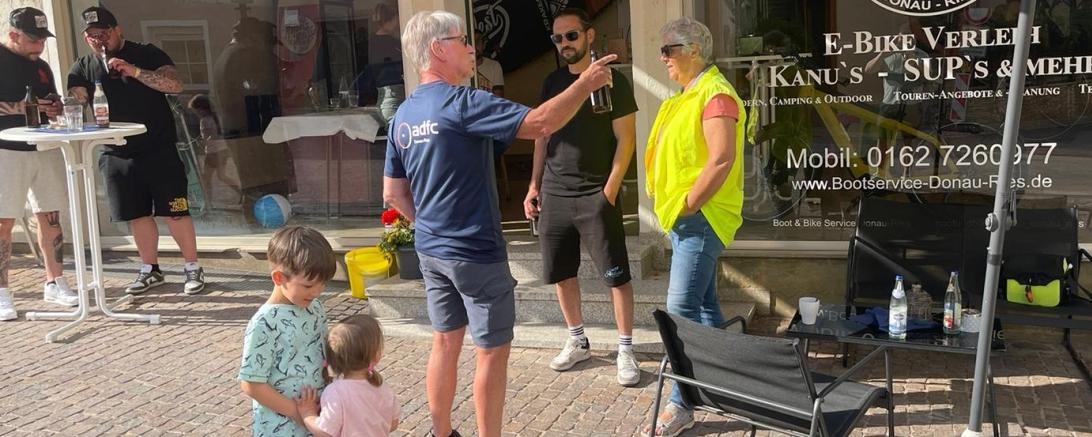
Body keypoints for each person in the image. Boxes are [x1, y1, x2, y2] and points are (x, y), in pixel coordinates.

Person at [382, 10, 615, 437]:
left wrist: (428, 227)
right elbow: (540, 123)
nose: (472, 48)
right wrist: (584, 84)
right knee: (490, 352)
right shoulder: (462, 101)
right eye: (462, 40)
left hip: (432, 251)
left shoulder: (402, 116)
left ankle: (441, 432)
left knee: (445, 341)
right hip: (476, 252)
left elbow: (393, 195)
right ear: (438, 49)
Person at [523, 8, 641, 386]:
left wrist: (610, 189)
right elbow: (541, 134)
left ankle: (625, 349)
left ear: (589, 36)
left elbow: (626, 139)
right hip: (555, 193)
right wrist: (533, 185)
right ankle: (578, 340)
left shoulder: (614, 82)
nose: (564, 45)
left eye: (571, 36)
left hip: (595, 194)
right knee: (561, 273)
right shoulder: (552, 81)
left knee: (616, 276)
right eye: (557, 39)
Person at [642, 17, 747, 436]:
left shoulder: (715, 94)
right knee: (705, 307)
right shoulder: (686, 95)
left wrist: (688, 204)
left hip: (700, 219)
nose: (663, 57)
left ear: (695, 50)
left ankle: (680, 403)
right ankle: (733, 378)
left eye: (670, 49)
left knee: (680, 311)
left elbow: (721, 159)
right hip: (684, 219)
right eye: (663, 50)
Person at [67, 6, 206, 295]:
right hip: (117, 152)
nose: (99, 40)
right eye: (92, 36)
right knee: (137, 214)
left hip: (158, 148)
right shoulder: (82, 66)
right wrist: (65, 103)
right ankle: (149, 269)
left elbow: (175, 84)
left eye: (103, 33)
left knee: (176, 211)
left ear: (118, 30)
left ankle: (192, 267)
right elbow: (77, 99)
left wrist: (135, 71)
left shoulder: (147, 53)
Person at [0, 7, 78, 321]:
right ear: (13, 35)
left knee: (51, 214)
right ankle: (3, 291)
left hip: (44, 145)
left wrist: (56, 106)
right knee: (3, 221)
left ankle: (55, 281)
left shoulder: (42, 65)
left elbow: (53, 104)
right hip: (6, 148)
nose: (39, 46)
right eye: (33, 39)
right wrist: (25, 106)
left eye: (43, 39)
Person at [238, 225, 336, 437]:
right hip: (280, 427)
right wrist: (298, 412)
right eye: (309, 286)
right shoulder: (263, 323)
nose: (317, 292)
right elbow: (251, 384)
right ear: (279, 278)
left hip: (315, 419)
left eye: (323, 284)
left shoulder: (315, 307)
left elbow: (323, 355)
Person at [295, 314, 401, 437]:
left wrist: (308, 414)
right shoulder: (380, 385)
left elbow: (325, 431)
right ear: (376, 356)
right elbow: (393, 424)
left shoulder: (335, 391)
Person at [188, 94, 241, 208]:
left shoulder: (205, 120)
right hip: (222, 149)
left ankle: (208, 202)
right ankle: (240, 191)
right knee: (221, 176)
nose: (196, 113)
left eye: (196, 110)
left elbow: (210, 136)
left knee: (206, 179)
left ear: (201, 109)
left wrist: (202, 142)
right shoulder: (216, 117)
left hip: (213, 151)